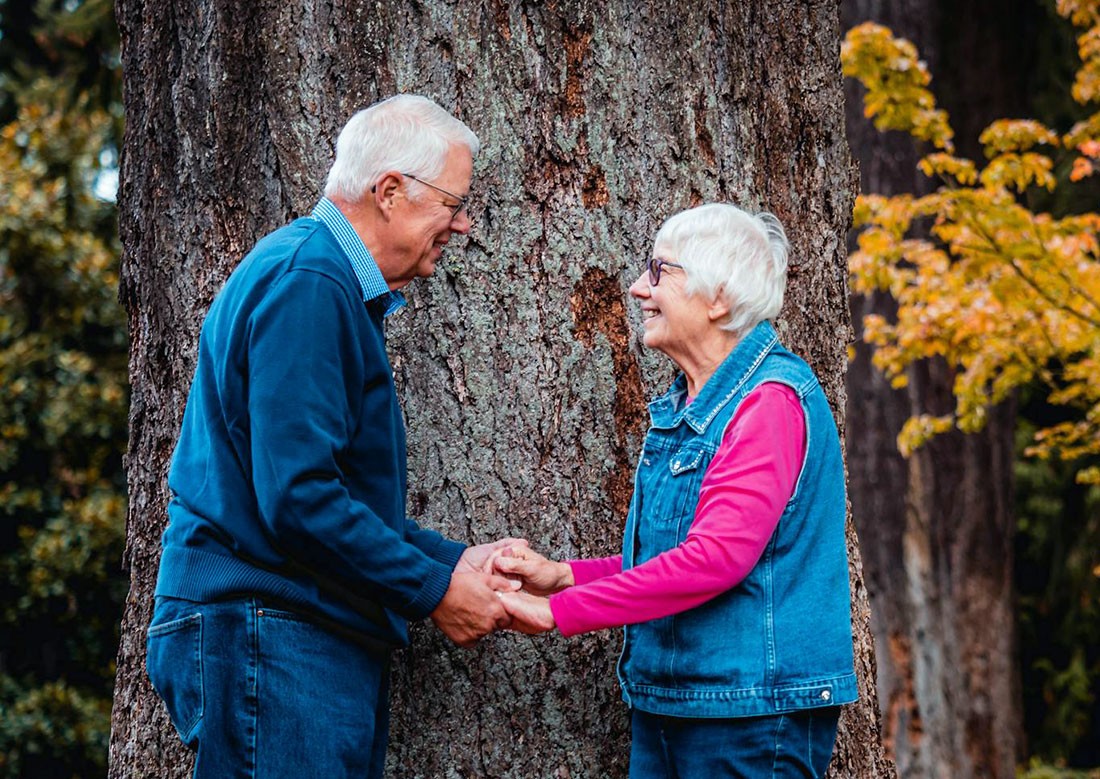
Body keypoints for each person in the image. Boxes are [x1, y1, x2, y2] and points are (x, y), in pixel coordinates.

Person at [145, 94, 522, 779]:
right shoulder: (311, 281)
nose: (462, 224)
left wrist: (459, 561)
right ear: (389, 191)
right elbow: (301, 501)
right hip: (270, 632)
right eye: (452, 202)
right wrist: (434, 591)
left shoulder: (322, 278)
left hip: (284, 634)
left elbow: (329, 495)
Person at [492, 203, 857, 778]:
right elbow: (678, 556)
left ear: (718, 298)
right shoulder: (694, 404)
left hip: (749, 722)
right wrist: (566, 575)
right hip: (679, 707)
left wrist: (560, 611)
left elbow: (715, 562)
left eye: (660, 272)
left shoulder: (768, 405)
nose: (639, 288)